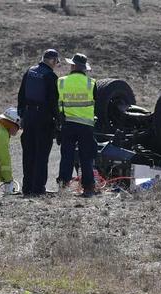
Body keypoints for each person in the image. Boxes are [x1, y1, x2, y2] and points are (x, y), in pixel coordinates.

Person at [17, 49, 61, 196]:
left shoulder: (29, 72)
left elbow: (21, 95)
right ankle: (37, 189)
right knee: (41, 155)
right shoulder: (50, 76)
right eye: (56, 62)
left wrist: (22, 115)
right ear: (53, 61)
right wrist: (58, 119)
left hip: (28, 117)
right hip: (43, 118)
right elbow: (53, 101)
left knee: (28, 154)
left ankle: (27, 188)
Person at [56, 53, 98, 198]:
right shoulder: (91, 83)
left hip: (68, 124)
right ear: (85, 68)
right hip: (86, 126)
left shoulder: (61, 82)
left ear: (72, 66)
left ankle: (63, 185)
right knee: (86, 157)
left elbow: (57, 104)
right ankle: (88, 188)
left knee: (66, 155)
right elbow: (96, 104)